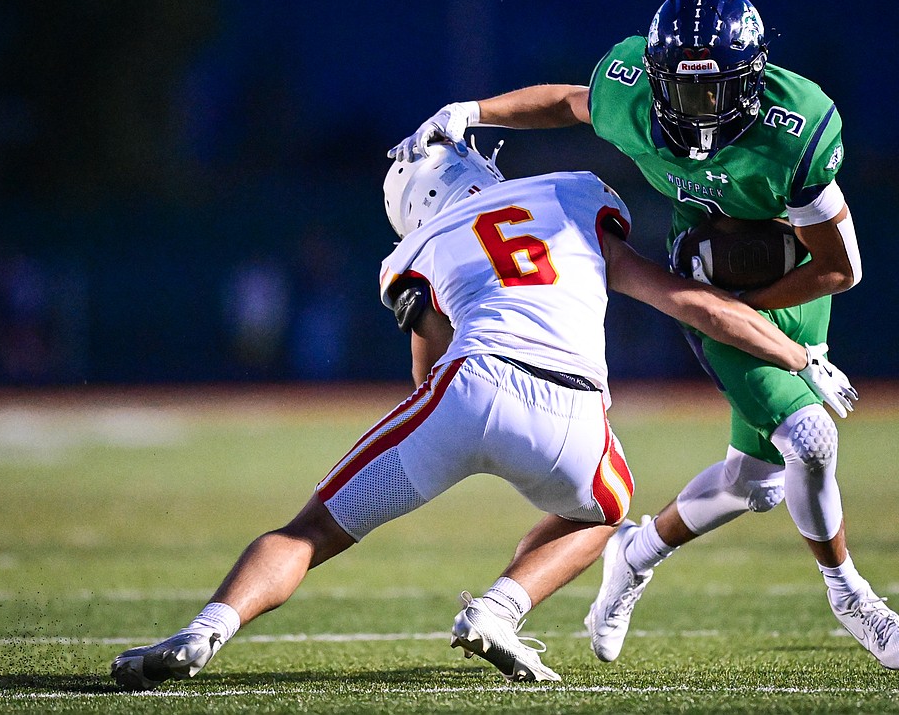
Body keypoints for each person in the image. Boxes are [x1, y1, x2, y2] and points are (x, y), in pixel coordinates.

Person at [111, 139, 856, 690]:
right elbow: (684, 298)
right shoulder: (572, 194)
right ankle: (499, 609)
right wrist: (800, 358)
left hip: (468, 385)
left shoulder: (415, 248)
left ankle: (205, 629)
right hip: (572, 413)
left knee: (306, 530)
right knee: (603, 513)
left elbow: (424, 372)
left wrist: (445, 446)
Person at [390, 0, 899, 670]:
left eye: (711, 91)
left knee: (755, 480)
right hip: (706, 275)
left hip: (793, 278)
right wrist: (471, 110)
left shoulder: (795, 130)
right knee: (809, 436)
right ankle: (851, 595)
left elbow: (839, 268)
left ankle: (634, 554)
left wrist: (766, 322)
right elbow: (566, 102)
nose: (694, 109)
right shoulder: (632, 99)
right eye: (679, 88)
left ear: (751, 82)